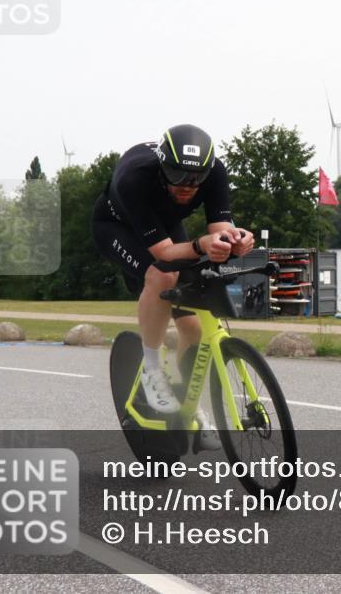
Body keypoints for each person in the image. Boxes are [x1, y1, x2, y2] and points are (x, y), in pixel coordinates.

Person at [92, 124, 254, 449]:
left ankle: (188, 411)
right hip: (117, 227)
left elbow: (220, 226)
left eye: (195, 179)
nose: (187, 186)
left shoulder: (214, 172)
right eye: (177, 176)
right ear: (162, 168)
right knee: (162, 274)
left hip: (165, 226)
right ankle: (152, 369)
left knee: (193, 330)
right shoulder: (135, 178)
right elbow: (164, 254)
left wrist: (236, 239)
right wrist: (202, 244)